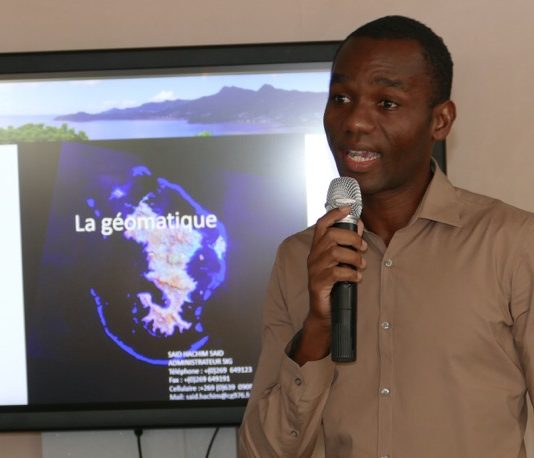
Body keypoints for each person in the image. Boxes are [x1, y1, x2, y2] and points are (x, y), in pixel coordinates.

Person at [238, 15, 534, 458]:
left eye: (387, 103)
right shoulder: (297, 257)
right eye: (341, 98)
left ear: (440, 120)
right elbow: (262, 452)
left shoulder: (512, 243)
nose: (354, 122)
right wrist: (316, 329)